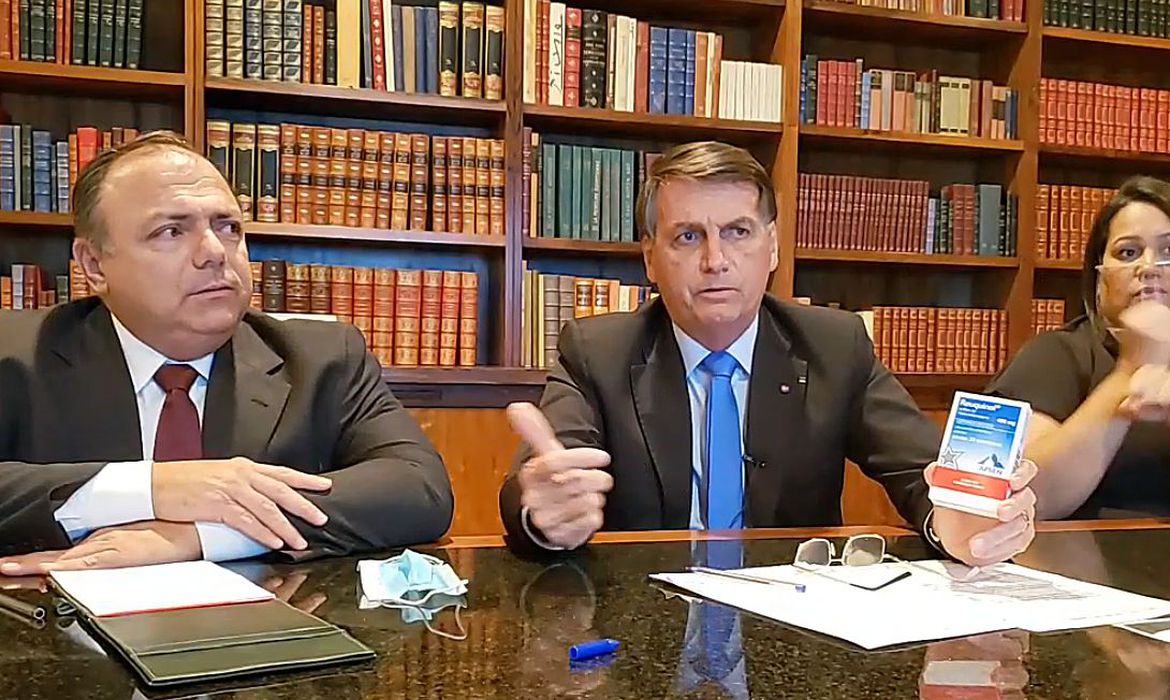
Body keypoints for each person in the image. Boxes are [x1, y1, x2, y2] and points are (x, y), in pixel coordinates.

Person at [498, 141, 1036, 566]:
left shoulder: (834, 346)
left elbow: (921, 470)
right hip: (641, 621)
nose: (716, 260)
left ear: (773, 246)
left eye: (738, 232)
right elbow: (543, 480)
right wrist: (543, 513)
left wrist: (957, 518)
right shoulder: (597, 352)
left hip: (790, 622)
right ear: (650, 258)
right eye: (687, 237)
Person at [0, 131, 453, 573]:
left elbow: (418, 488)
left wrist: (203, 533)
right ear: (94, 265)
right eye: (171, 231)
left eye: (228, 227)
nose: (215, 252)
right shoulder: (16, 354)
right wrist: (154, 488)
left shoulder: (322, 358)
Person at [990, 175, 1170, 520]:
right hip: (1078, 553)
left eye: (1168, 252)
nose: (1148, 268)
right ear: (1100, 278)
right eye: (1128, 253)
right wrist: (1129, 373)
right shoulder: (1054, 356)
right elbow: (1025, 501)